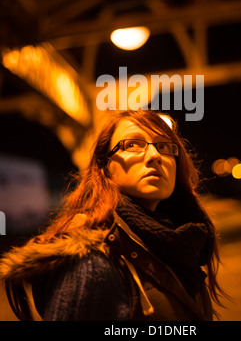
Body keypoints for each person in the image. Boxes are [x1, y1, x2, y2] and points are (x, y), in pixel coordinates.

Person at [0, 109, 226, 321]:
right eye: (133, 144)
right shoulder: (92, 262)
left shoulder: (182, 244)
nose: (155, 155)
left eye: (164, 146)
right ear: (105, 166)